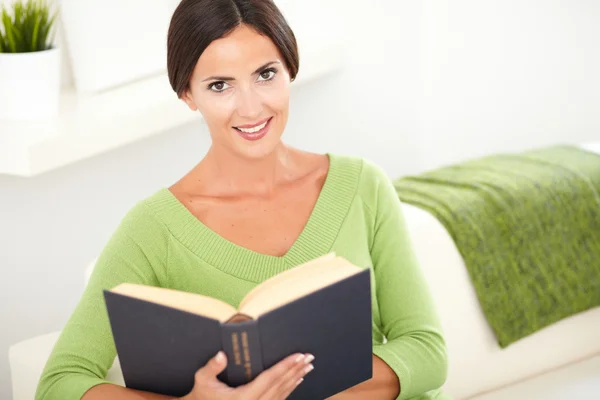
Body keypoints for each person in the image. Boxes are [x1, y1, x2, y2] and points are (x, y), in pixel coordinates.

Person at [35, 0, 449, 399]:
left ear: (290, 68)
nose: (251, 107)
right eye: (220, 85)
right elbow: (60, 383)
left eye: (266, 74)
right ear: (187, 95)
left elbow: (427, 350)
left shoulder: (363, 186)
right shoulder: (153, 229)